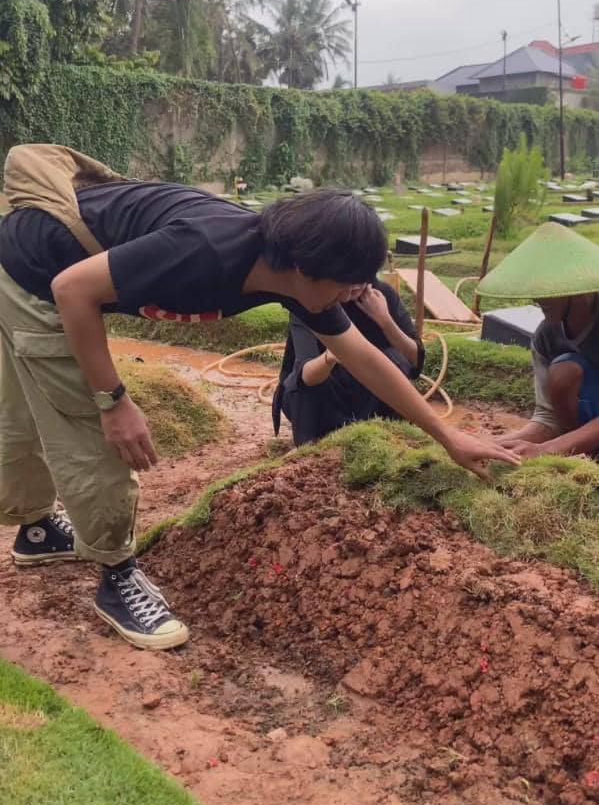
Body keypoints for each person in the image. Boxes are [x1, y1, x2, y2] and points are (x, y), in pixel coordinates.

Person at [0, 177, 518, 651]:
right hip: (35, 272)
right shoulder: (207, 252)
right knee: (87, 418)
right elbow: (72, 289)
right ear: (305, 267)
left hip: (29, 254)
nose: (352, 296)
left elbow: (365, 357)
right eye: (347, 285)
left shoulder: (293, 275)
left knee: (20, 408)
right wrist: (113, 400)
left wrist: (449, 437)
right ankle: (117, 576)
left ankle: (37, 529)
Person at [476, 220, 599, 458]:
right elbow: (548, 416)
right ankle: (591, 451)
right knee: (562, 369)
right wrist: (495, 444)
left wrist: (547, 450)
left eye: (548, 288)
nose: (538, 298)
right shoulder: (546, 337)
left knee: (566, 370)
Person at [273, 280, 424, 445]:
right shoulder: (312, 299)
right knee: (309, 386)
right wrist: (331, 356)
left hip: (367, 392)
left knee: (394, 359)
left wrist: (385, 320)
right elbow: (306, 378)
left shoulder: (381, 295)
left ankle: (389, 437)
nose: (356, 284)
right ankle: (316, 448)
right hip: (323, 393)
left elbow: (415, 362)